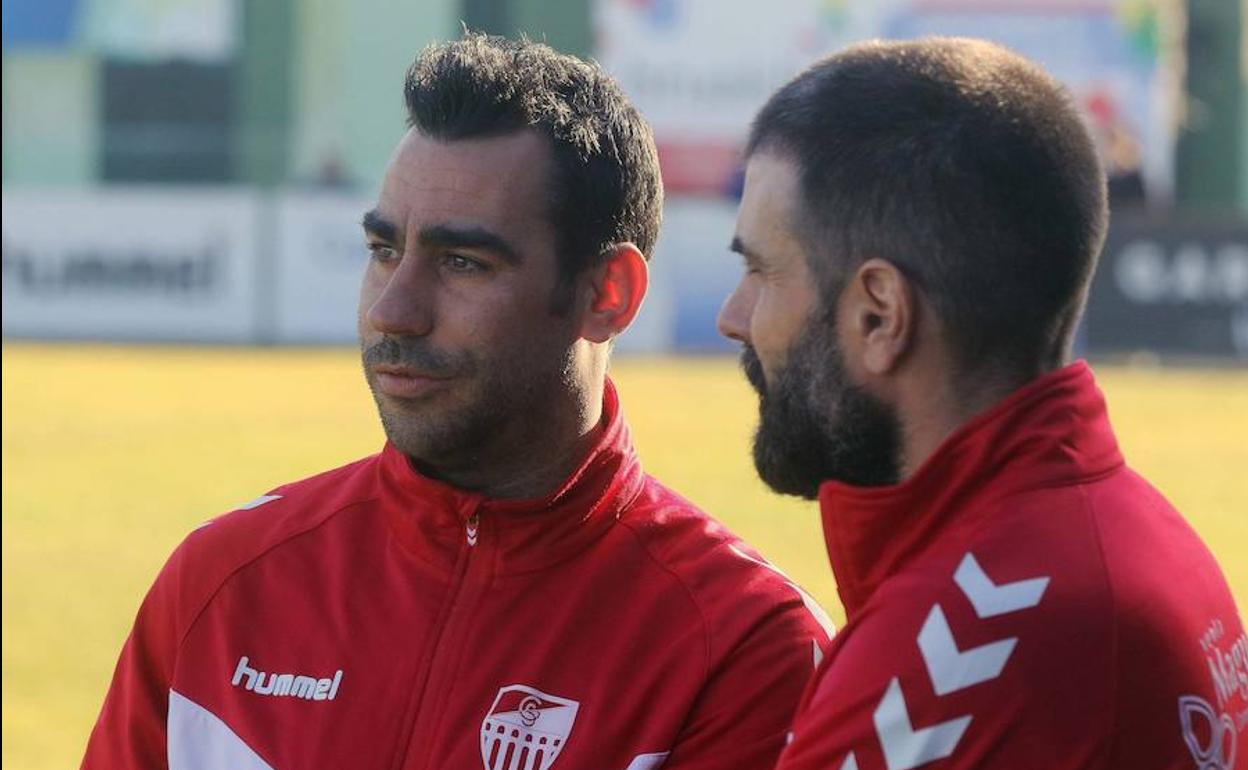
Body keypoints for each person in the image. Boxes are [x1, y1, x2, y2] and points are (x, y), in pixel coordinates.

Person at [83, 34, 832, 770]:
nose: (394, 310)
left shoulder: (742, 647)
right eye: (383, 251)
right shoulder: (222, 583)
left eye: (462, 262)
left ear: (608, 294)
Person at [717, 38, 1247, 770]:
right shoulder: (1132, 529)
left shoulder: (967, 648)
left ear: (879, 315)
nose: (734, 315)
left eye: (759, 270)